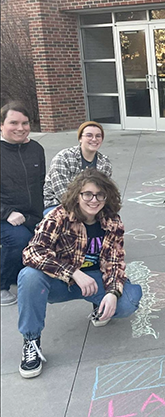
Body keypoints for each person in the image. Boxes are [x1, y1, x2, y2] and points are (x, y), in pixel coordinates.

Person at [17, 168, 142, 378]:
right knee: (29, 276)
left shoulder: (112, 221)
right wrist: (72, 272)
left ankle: (99, 305)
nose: (94, 200)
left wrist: (112, 293)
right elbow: (32, 252)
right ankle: (31, 341)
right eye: (87, 194)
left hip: (94, 280)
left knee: (128, 302)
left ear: (106, 196)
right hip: (60, 282)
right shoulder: (59, 216)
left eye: (100, 195)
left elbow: (115, 262)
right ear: (77, 195)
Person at [1, 103, 46, 307]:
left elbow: (41, 183)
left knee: (47, 242)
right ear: (1, 125)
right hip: (5, 216)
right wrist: (7, 212)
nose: (20, 128)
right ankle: (2, 284)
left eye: (25, 123)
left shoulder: (35, 149)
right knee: (19, 239)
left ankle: (18, 273)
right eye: (13, 123)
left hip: (33, 214)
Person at [42, 121, 112, 214]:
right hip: (58, 204)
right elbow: (62, 194)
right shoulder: (63, 157)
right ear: (80, 138)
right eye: (89, 135)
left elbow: (104, 191)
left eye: (98, 136)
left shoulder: (104, 163)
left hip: (92, 203)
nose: (94, 139)